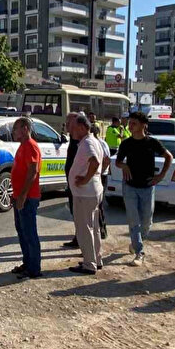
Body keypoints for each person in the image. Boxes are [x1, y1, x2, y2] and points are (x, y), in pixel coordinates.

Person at [114, 111, 173, 265]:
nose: (130, 126)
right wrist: (124, 165)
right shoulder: (126, 143)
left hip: (147, 186)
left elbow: (169, 157)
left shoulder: (152, 142)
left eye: (134, 123)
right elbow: (118, 162)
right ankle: (140, 252)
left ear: (143, 125)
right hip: (130, 186)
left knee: (146, 221)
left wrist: (160, 176)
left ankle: (135, 242)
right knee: (133, 220)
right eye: (130, 122)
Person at [68, 113, 107, 274]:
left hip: (86, 193)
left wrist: (85, 179)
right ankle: (96, 259)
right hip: (93, 190)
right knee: (94, 227)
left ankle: (89, 263)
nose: (71, 131)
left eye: (74, 127)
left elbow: (96, 162)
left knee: (84, 229)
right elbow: (103, 162)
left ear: (83, 128)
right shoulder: (93, 141)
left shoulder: (88, 143)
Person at [9, 117, 43, 279]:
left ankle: (34, 268)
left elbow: (32, 171)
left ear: (24, 128)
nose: (13, 132)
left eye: (15, 128)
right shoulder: (22, 146)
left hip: (28, 197)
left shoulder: (30, 146)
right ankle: (27, 263)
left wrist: (22, 195)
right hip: (20, 196)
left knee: (29, 233)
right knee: (22, 232)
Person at [62, 112, 84, 248]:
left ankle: (83, 242)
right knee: (75, 212)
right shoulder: (72, 139)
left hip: (79, 185)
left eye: (69, 123)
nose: (66, 125)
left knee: (81, 214)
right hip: (72, 183)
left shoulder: (82, 141)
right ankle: (79, 237)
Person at [90, 123, 111, 240]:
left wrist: (99, 171)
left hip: (101, 176)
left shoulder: (102, 144)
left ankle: (102, 229)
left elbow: (107, 160)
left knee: (99, 204)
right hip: (96, 176)